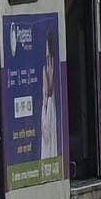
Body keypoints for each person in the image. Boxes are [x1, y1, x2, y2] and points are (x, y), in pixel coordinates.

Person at [41, 29, 59, 161]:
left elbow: (46, 134)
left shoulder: (55, 103)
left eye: (49, 61)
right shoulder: (47, 102)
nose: (47, 70)